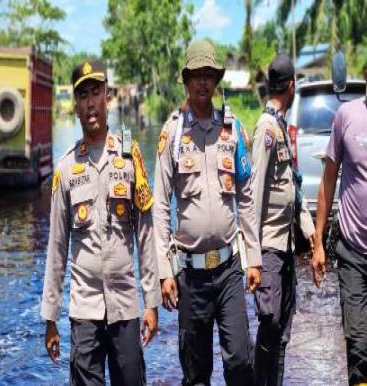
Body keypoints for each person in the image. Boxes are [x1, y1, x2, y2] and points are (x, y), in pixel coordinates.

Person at [40, 59, 161, 386]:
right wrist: (50, 317)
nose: (90, 102)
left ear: (108, 97)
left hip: (125, 307)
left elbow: (146, 236)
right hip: (84, 311)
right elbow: (56, 248)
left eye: (96, 93)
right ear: (76, 107)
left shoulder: (129, 156)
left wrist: (152, 302)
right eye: (83, 96)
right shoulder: (65, 168)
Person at [154, 39, 262, 386]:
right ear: (185, 80)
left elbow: (245, 194)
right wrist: (163, 273)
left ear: (216, 80)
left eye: (208, 75)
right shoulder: (172, 133)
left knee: (241, 361)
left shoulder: (232, 130)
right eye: (196, 75)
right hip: (190, 275)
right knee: (196, 374)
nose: (202, 82)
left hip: (230, 269)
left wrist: (255, 258)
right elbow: (159, 205)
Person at [250, 53, 315, 386]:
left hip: (285, 246)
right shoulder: (266, 129)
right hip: (269, 248)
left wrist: (308, 229)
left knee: (283, 327)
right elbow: (253, 195)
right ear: (291, 86)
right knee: (270, 323)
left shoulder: (280, 126)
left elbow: (293, 183)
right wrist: (253, 259)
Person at [312, 62, 367, 386]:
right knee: (358, 344)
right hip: (353, 251)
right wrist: (318, 242)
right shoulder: (347, 116)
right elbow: (328, 180)